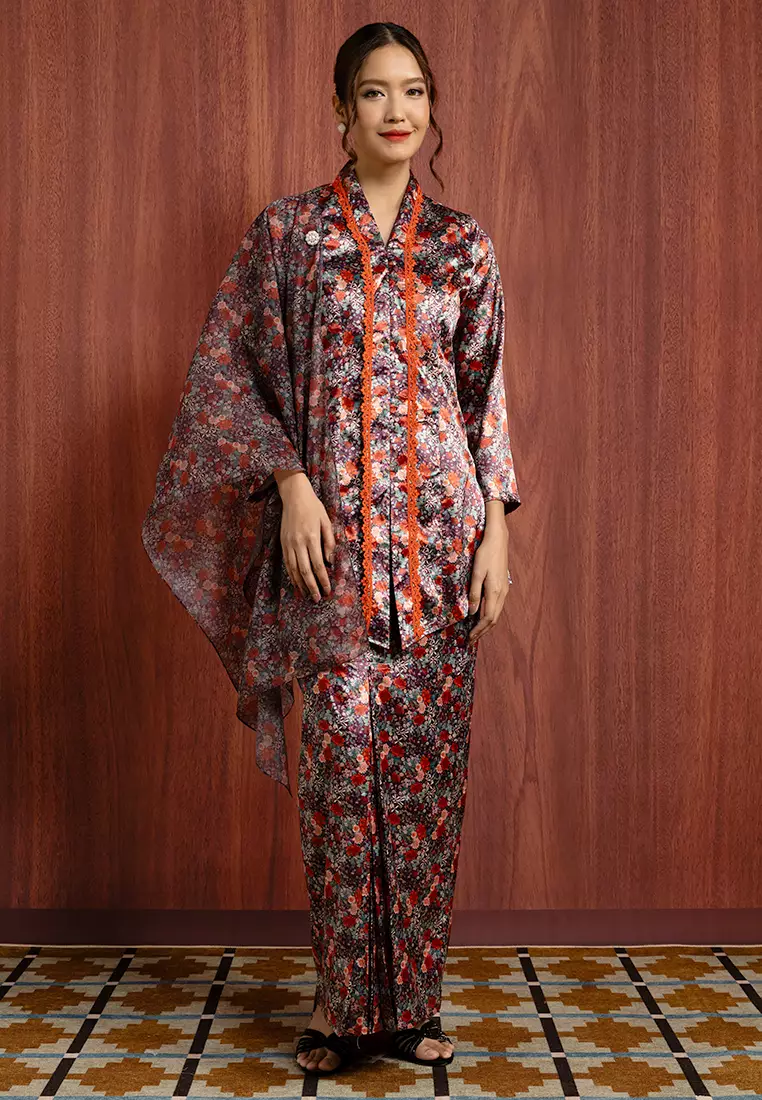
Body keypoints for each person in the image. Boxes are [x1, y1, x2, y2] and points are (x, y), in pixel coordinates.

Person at [141, 20, 521, 1079]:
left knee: (428, 784)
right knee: (344, 781)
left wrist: (497, 531)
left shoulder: (464, 246)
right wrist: (290, 480)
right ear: (342, 111)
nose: (397, 110)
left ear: (432, 107)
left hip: (443, 557)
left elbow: (485, 397)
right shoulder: (290, 237)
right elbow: (228, 376)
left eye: (413, 91)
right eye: (374, 92)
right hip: (333, 560)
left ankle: (412, 1007)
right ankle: (344, 1007)